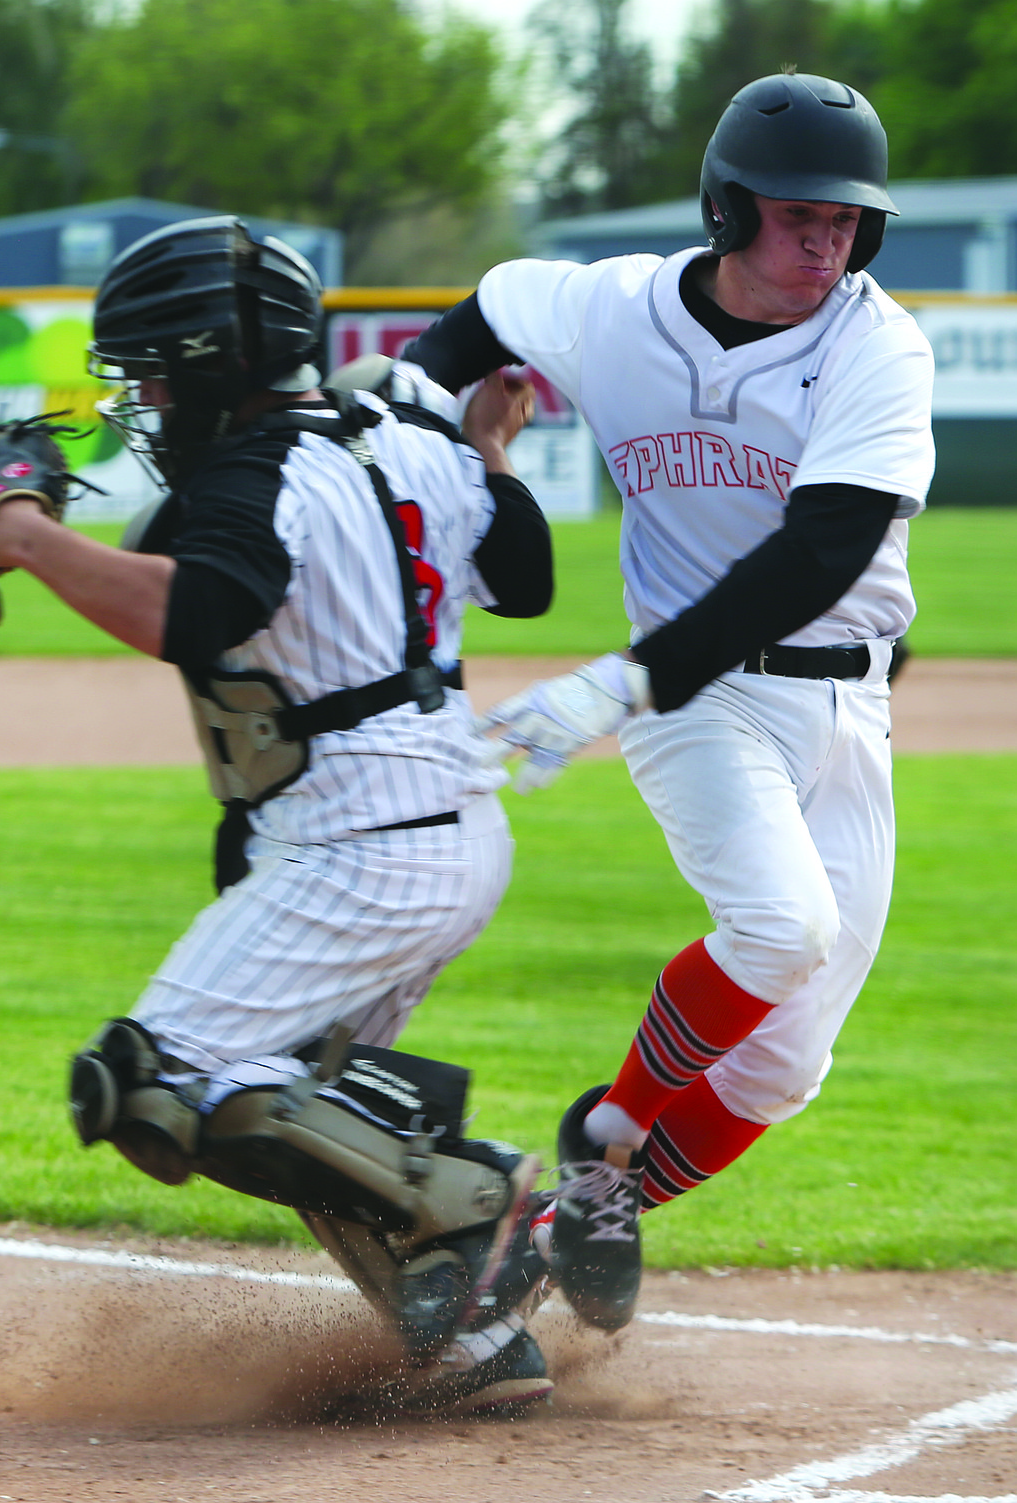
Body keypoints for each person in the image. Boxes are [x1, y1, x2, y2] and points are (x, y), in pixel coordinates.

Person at [0, 215, 557, 1416]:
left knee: (156, 1081)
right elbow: (528, 581)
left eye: (153, 369)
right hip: (438, 832)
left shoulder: (258, 476)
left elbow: (195, 610)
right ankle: (473, 1350)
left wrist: (22, 530)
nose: (143, 399)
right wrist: (492, 455)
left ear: (212, 364)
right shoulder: (409, 436)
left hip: (359, 849)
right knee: (296, 1108)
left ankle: (495, 1196)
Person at [394, 71, 936, 1334]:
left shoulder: (874, 343)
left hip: (844, 713)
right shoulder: (616, 308)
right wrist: (429, 413)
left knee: (789, 1065)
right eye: (800, 213)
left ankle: (562, 1215)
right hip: (705, 703)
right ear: (728, 206)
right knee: (779, 927)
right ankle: (612, 1129)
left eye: (849, 219)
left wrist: (614, 684)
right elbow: (480, 315)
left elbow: (820, 556)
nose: (828, 241)